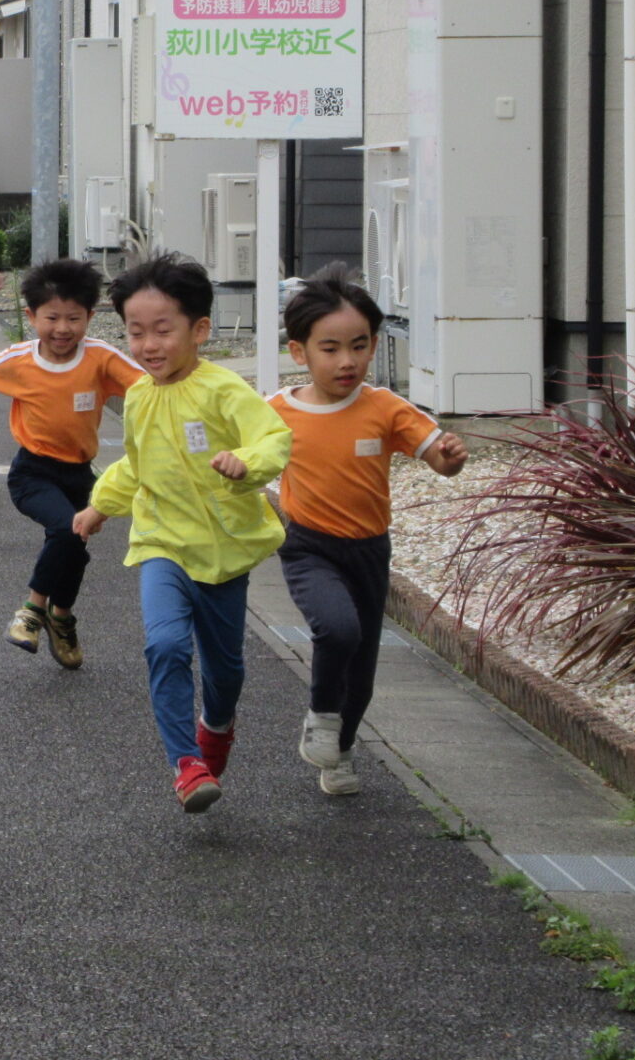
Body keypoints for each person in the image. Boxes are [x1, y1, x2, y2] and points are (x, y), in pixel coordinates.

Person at [71, 253, 293, 815]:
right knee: (164, 645)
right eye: (135, 332)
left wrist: (247, 462)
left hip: (223, 551)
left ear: (199, 330)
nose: (147, 345)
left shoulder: (223, 390)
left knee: (225, 670)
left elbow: (273, 437)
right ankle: (186, 762)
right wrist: (100, 506)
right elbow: (137, 464)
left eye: (162, 330)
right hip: (161, 542)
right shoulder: (140, 394)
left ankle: (216, 725)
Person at [269, 265, 467, 796]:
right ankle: (320, 717)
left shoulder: (383, 407)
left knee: (362, 671)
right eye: (330, 348)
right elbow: (242, 457)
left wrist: (450, 458)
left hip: (370, 550)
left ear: (374, 345)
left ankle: (342, 749)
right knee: (338, 629)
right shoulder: (275, 413)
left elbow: (439, 458)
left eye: (359, 346)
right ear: (299, 352)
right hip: (308, 546)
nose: (347, 361)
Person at [0, 259, 142, 669]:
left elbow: (149, 388)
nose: (62, 328)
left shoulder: (100, 358)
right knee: (67, 533)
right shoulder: (21, 360)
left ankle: (61, 618)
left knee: (74, 549)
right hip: (32, 472)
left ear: (90, 316)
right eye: (51, 317)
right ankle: (32, 611)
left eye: (74, 318)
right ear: (31, 317)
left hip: (81, 476)